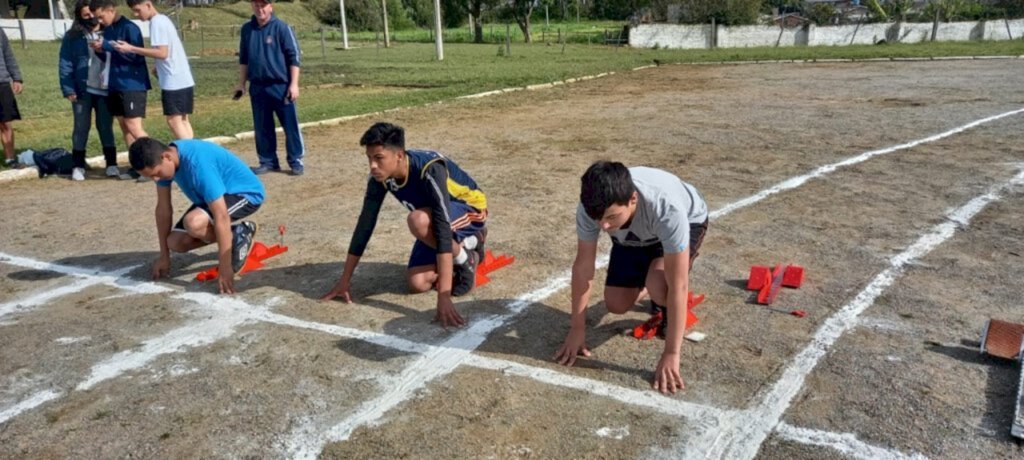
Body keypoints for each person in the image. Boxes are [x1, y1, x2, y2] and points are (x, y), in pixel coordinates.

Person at [553, 161, 709, 395]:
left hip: (687, 220)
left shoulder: (667, 208)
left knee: (662, 286)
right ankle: (649, 278)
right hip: (634, 233)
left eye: (610, 217)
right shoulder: (592, 208)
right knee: (616, 304)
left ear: (633, 199)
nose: (604, 226)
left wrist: (671, 354)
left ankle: (658, 295)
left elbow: (679, 284)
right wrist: (577, 328)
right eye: (598, 219)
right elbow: (583, 267)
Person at [321, 122, 487, 328]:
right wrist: (345, 280)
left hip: (470, 209)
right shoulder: (380, 178)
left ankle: (466, 257)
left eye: (379, 158)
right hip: (433, 218)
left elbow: (442, 228)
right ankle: (469, 246)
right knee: (417, 283)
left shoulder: (429, 169)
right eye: (369, 158)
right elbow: (365, 223)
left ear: (399, 155)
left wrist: (444, 298)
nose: (372, 165)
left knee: (417, 221)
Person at [129, 137, 265, 294]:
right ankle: (237, 233)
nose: (156, 179)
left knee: (194, 223)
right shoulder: (165, 163)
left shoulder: (198, 165)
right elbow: (163, 210)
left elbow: (221, 215)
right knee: (175, 242)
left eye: (157, 174)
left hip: (244, 193)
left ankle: (236, 234)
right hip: (214, 197)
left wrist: (225, 266)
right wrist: (164, 256)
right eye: (151, 176)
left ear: (166, 157)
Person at [234, 0, 304, 176]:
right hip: (258, 87)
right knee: (262, 126)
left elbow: (293, 57)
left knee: (290, 126)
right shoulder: (247, 30)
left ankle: (295, 160)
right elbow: (244, 59)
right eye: (256, 5)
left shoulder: (281, 28)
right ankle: (268, 161)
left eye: (263, 5)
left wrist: (294, 84)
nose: (260, 9)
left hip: (281, 86)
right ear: (252, 7)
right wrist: (241, 83)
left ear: (270, 7)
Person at [114, 0, 195, 140]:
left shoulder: (157, 22)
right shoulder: (164, 19)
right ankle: (194, 153)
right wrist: (158, 67)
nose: (136, 14)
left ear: (148, 4)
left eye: (138, 10)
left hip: (173, 80)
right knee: (182, 120)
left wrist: (131, 48)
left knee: (173, 121)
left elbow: (162, 53)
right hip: (183, 78)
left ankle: (189, 155)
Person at [90, 0, 151, 180]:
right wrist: (99, 49)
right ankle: (137, 166)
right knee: (125, 127)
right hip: (115, 84)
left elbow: (135, 55)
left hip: (132, 84)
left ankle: (152, 163)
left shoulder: (130, 28)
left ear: (111, 10)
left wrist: (108, 46)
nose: (100, 21)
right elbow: (110, 56)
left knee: (134, 126)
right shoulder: (107, 30)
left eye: (101, 16)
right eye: (96, 18)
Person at [59, 0, 118, 181]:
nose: (91, 18)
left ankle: (111, 163)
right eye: (86, 15)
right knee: (81, 126)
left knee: (105, 126)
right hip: (81, 89)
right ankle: (78, 165)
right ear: (79, 17)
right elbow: (65, 62)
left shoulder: (110, 31)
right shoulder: (72, 37)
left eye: (93, 14)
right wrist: (68, 88)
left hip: (105, 88)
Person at [0, 27, 23, 169]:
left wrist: (17, 78)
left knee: (5, 123)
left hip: (1, 82)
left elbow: (8, 55)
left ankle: (10, 159)